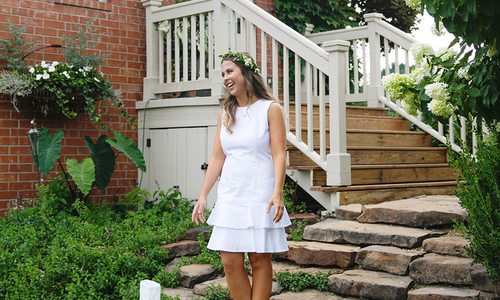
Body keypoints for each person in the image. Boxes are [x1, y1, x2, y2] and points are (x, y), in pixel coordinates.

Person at [191, 50, 291, 300]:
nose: (225, 78)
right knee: (230, 261)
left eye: (230, 71)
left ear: (246, 73)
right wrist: (203, 194)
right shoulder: (226, 113)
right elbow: (217, 157)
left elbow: (279, 154)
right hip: (231, 194)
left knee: (259, 259)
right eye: (223, 73)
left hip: (261, 193)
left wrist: (277, 193)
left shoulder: (271, 109)